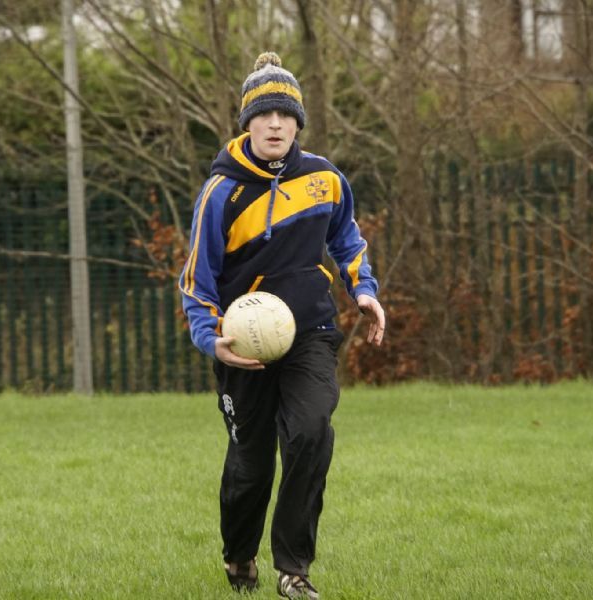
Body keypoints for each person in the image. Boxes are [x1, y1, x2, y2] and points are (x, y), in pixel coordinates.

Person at [179, 51, 385, 599]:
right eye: (264, 115)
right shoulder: (220, 192)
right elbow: (196, 282)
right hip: (241, 344)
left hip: (310, 332)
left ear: (298, 123)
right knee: (251, 463)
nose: (275, 125)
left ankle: (294, 569)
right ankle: (239, 555)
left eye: (286, 116)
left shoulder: (325, 179)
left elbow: (348, 241)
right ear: (247, 123)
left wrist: (363, 291)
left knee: (311, 433)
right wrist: (213, 341)